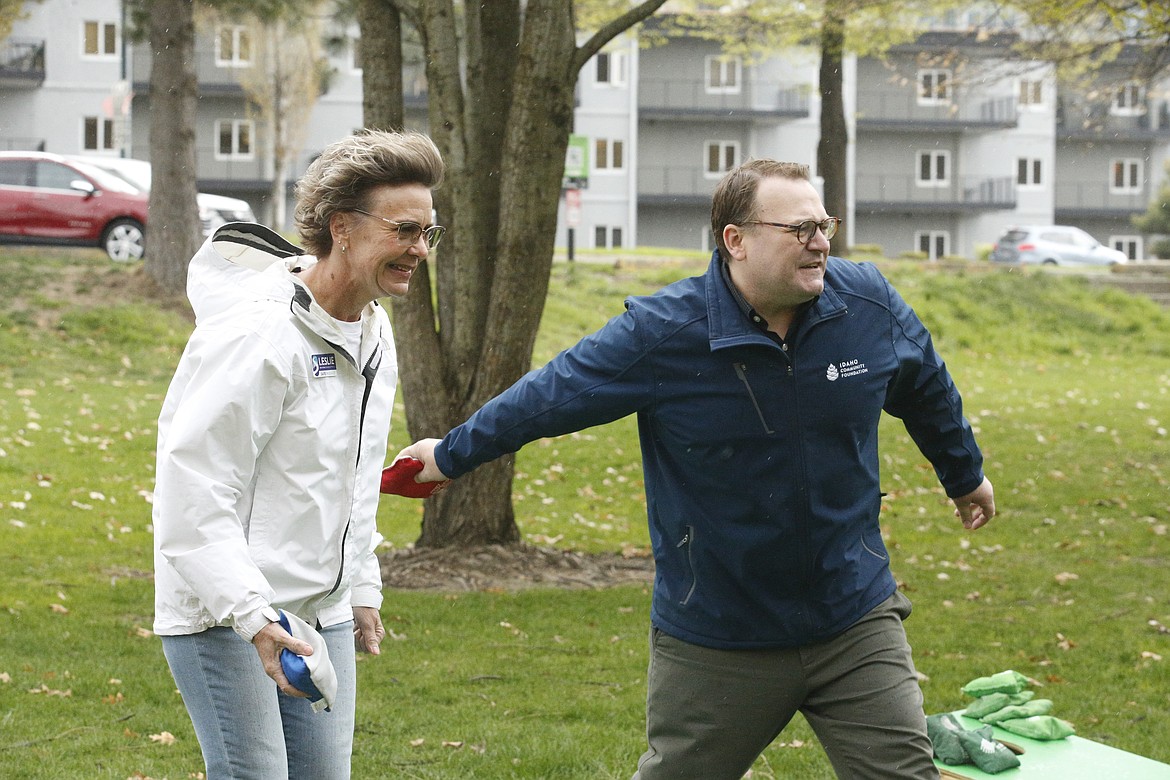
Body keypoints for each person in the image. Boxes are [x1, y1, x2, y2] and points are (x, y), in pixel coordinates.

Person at [396, 158, 994, 779]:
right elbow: (551, 395)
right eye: (799, 229)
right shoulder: (664, 333)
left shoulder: (866, 302)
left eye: (824, 225)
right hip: (719, 636)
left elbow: (925, 384)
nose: (820, 241)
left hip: (853, 619)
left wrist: (964, 473)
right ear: (735, 240)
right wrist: (450, 455)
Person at [152, 129, 445, 779]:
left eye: (428, 232)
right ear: (342, 228)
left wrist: (360, 588)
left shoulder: (372, 330)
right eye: (404, 230)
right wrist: (254, 616)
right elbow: (191, 489)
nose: (419, 249)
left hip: (317, 606)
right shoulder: (259, 334)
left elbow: (355, 474)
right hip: (222, 610)